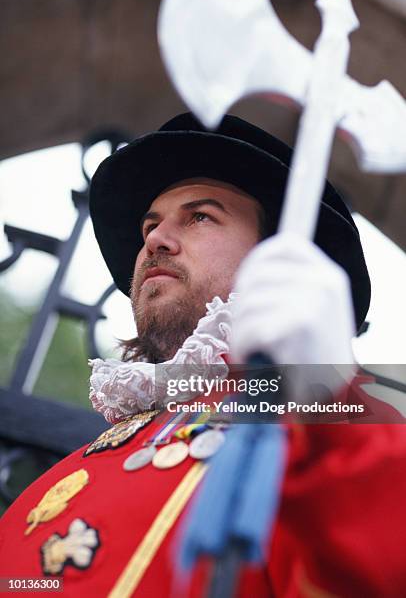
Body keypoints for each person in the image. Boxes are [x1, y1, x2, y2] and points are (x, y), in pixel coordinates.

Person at [0, 113, 405, 598]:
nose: (153, 239)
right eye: (151, 225)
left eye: (199, 216)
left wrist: (329, 391)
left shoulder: (356, 430)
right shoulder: (74, 470)